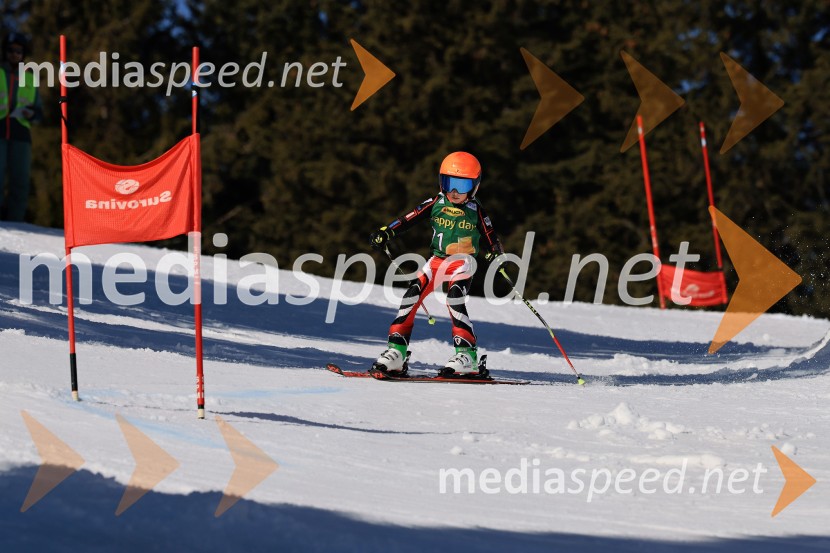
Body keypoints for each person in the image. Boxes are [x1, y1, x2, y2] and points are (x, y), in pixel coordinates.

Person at [369, 151, 504, 376]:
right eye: (449, 183)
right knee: (411, 295)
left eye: (462, 185)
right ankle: (397, 352)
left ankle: (468, 355)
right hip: (436, 262)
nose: (454, 191)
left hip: (463, 262)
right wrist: (387, 232)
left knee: (454, 298)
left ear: (475, 186)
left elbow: (491, 235)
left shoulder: (475, 210)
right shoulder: (436, 202)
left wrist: (495, 254)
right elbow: (409, 218)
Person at [0, 32, 42, 221]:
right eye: (10, 50)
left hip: (21, 134)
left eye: (19, 51)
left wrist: (31, 113)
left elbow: (39, 111)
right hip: (0, 131)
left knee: (20, 181)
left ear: (24, 54)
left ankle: (17, 221)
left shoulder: (30, 78)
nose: (14, 54)